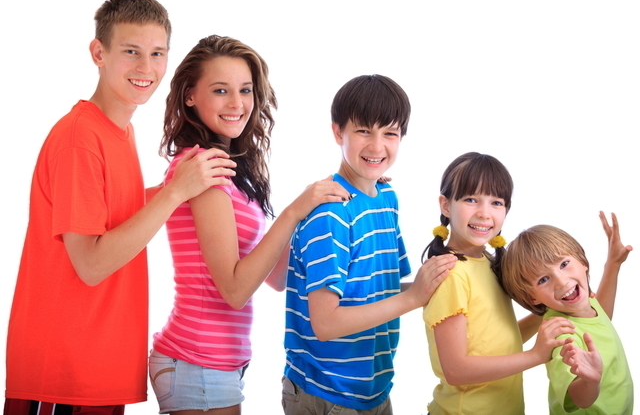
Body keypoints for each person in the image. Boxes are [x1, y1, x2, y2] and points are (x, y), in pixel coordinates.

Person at [4, 0, 237, 415]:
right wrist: (174, 193)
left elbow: (113, 211)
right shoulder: (80, 138)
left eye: (157, 53)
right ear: (99, 53)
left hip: (100, 371)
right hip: (64, 375)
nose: (146, 67)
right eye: (131, 51)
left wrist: (178, 187)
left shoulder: (119, 132)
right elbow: (91, 264)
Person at [148, 35, 351, 415]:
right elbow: (235, 290)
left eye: (245, 90)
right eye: (220, 90)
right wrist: (293, 211)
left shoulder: (230, 171)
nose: (237, 103)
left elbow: (275, 276)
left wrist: (337, 202)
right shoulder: (202, 168)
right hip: (196, 361)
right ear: (190, 96)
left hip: (216, 364)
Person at [282, 74, 458, 414]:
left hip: (374, 390)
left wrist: (434, 285)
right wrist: (413, 297)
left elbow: (381, 290)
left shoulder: (386, 198)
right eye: (364, 131)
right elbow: (326, 324)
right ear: (338, 132)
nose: (377, 147)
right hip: (328, 393)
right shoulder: (330, 214)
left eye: (389, 133)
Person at [421, 152, 577, 415]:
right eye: (471, 199)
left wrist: (548, 312)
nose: (484, 213)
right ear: (446, 206)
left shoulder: (487, 261)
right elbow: (455, 370)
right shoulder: (452, 275)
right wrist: (535, 356)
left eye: (496, 202)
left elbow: (498, 342)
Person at [500, 214, 633, 415]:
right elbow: (579, 399)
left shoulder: (585, 303)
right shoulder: (561, 335)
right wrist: (590, 381)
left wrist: (613, 264)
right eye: (543, 279)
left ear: (582, 261)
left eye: (563, 264)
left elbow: (601, 319)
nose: (561, 281)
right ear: (532, 297)